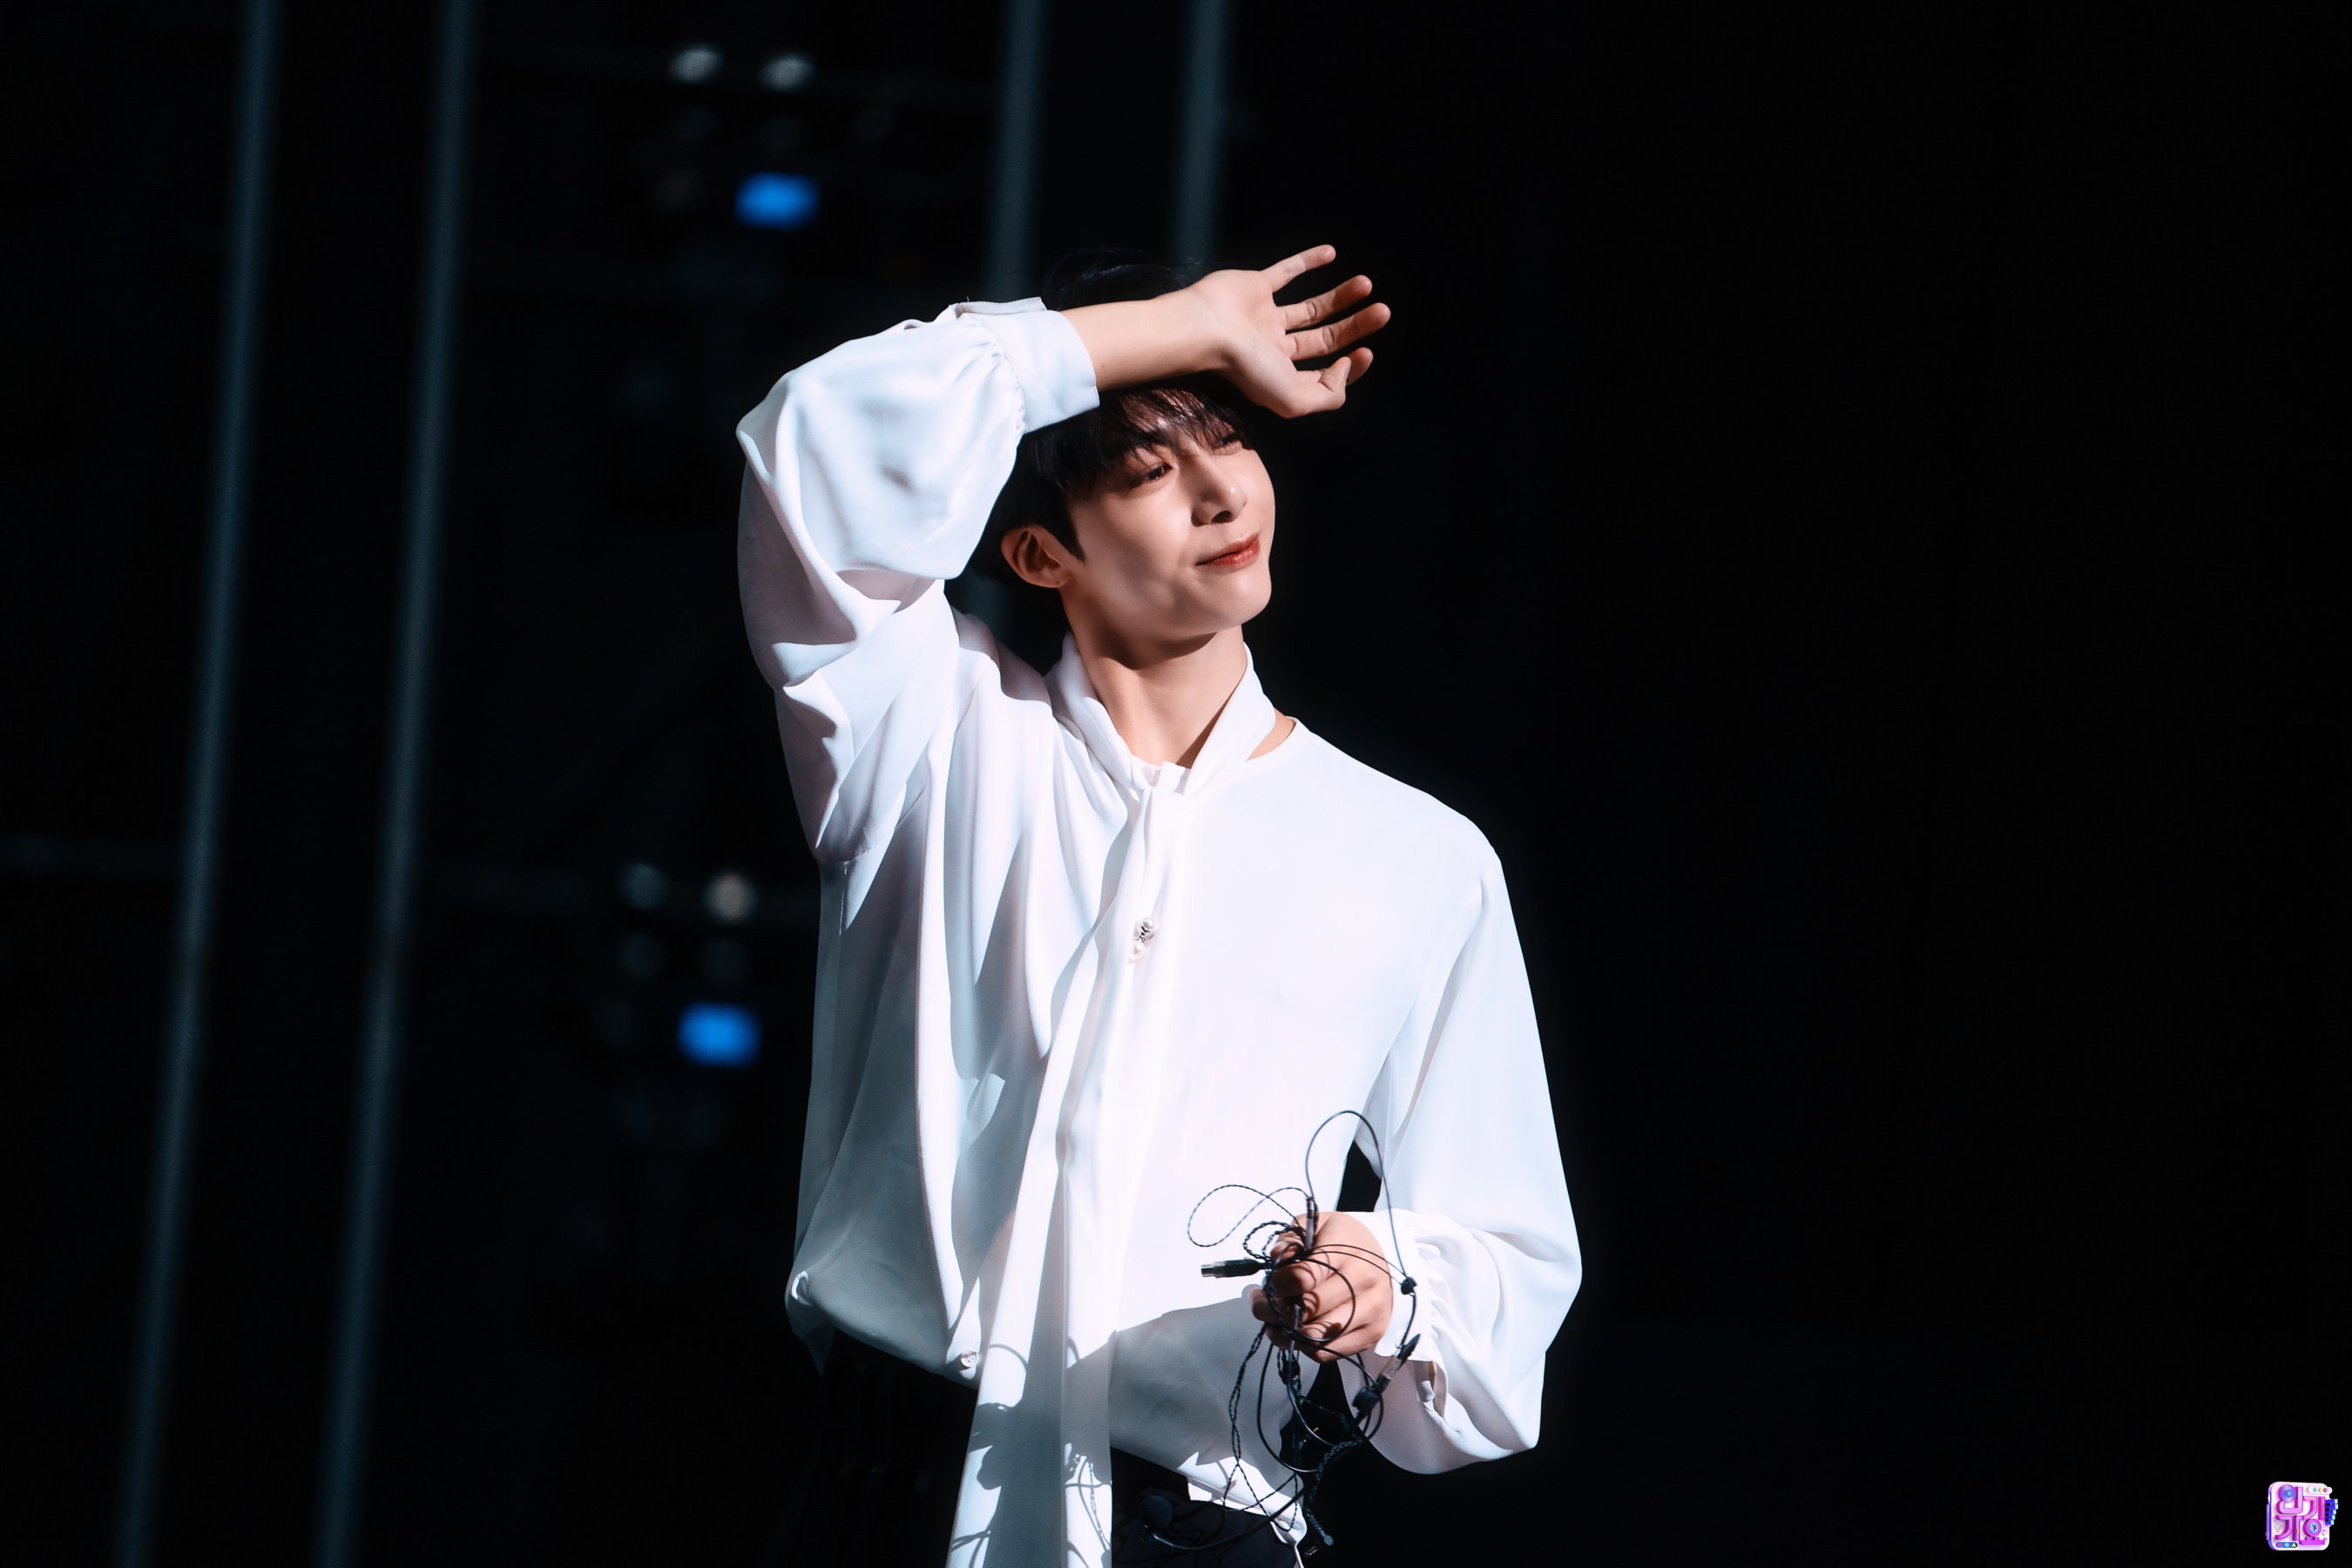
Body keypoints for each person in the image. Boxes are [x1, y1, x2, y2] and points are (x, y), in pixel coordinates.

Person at [738, 245, 1579, 1567]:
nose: (1220, 492)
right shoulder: (936, 738)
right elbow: (821, 440)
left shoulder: (1418, 856)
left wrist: (1383, 1279)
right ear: (1039, 552)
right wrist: (1188, 322)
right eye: (1145, 472)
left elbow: (1510, 1255)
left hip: (1197, 1521)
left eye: (1230, 441)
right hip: (890, 1498)